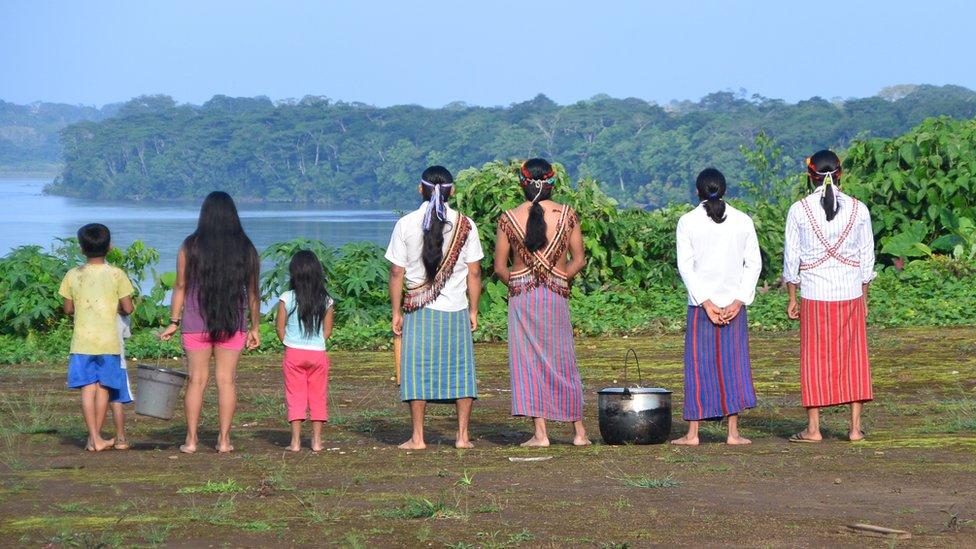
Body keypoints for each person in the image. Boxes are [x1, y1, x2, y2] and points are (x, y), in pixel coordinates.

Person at [386, 165, 484, 450]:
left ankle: (418, 437)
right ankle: (462, 436)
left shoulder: (405, 224)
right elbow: (474, 272)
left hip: (419, 309)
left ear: (421, 189)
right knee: (461, 371)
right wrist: (473, 310)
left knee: (416, 371)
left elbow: (396, 272)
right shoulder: (466, 224)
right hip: (456, 308)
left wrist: (396, 312)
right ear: (452, 191)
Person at [494, 158, 590, 447]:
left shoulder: (508, 218)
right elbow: (579, 260)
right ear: (551, 184)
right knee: (564, 359)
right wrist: (557, 279)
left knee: (528, 362)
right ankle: (579, 433)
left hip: (522, 296)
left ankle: (541, 433)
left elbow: (500, 267)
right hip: (555, 295)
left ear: (522, 184)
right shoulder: (567, 214)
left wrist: (521, 283)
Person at [783, 150, 876, 443]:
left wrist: (792, 297)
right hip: (850, 292)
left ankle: (813, 429)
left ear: (810, 177)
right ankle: (855, 429)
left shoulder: (799, 210)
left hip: (814, 294)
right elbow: (867, 259)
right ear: (840, 174)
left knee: (814, 359)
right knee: (854, 358)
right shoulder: (859, 209)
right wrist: (864, 298)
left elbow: (791, 260)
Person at [160, 191, 261, 453]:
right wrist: (255, 327)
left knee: (196, 381)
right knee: (226, 381)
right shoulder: (246, 248)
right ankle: (224, 441)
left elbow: (180, 286)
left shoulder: (190, 246)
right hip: (232, 323)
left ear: (204, 214)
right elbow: (253, 293)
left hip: (195, 322)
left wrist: (173, 321)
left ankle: (191, 441)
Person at [671, 168, 761, 446]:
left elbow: (686, 267)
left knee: (698, 366)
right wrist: (738, 300)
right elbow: (754, 264)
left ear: (697, 192)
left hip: (701, 306)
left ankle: (693, 434)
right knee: (733, 365)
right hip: (733, 306)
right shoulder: (743, 220)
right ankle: (732, 433)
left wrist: (706, 303)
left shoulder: (687, 221)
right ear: (724, 190)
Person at [58, 223, 135, 452]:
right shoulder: (117, 274)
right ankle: (96, 439)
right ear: (109, 247)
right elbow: (128, 308)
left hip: (82, 343)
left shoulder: (73, 275)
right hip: (109, 343)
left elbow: (68, 309)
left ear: (82, 249)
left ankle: (94, 438)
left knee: (87, 389)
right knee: (104, 388)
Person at [275, 250, 335, 452]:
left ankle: (295, 442)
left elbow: (280, 328)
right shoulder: (326, 300)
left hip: (294, 353)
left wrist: (289, 343)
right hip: (317, 353)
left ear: (294, 273)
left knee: (295, 396)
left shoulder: (287, 298)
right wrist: (316, 343)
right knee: (318, 396)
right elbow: (327, 331)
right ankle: (316, 442)